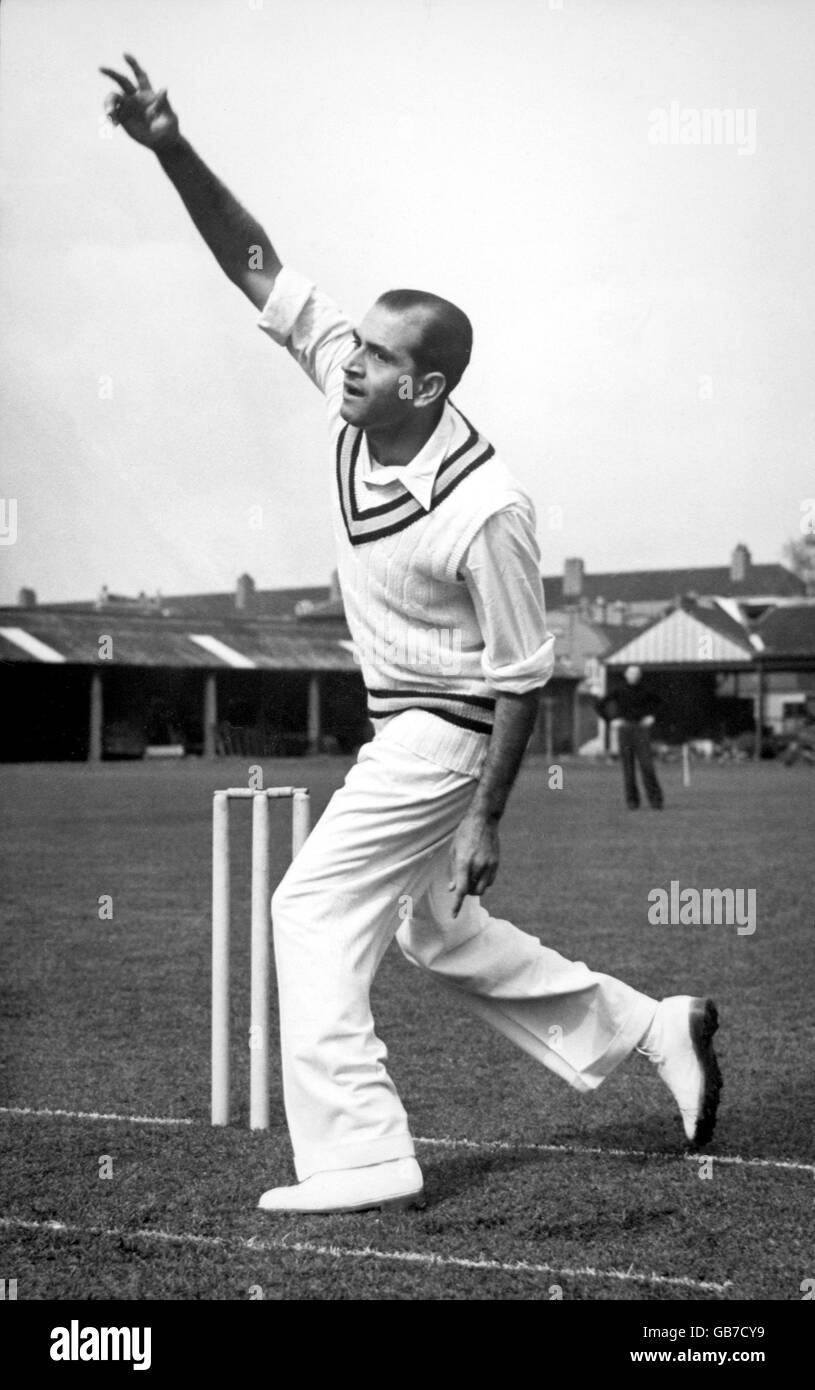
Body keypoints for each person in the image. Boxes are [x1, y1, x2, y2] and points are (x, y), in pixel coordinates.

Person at [101, 56, 722, 1214]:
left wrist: (485, 810)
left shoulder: (488, 506)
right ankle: (653, 1027)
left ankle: (361, 1154)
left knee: (307, 908)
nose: (351, 361)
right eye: (357, 344)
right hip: (400, 725)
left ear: (427, 386)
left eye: (380, 357)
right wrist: (169, 147)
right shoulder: (348, 393)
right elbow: (259, 269)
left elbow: (523, 675)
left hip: (445, 737)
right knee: (435, 933)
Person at [597, 665, 664, 810]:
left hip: (641, 730)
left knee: (647, 766)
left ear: (639, 676)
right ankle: (632, 802)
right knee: (628, 768)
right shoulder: (619, 691)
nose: (633, 676)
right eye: (631, 673)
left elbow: (661, 704)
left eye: (636, 673)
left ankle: (656, 801)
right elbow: (600, 705)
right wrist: (611, 720)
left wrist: (652, 717)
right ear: (626, 675)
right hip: (625, 730)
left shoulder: (646, 690)